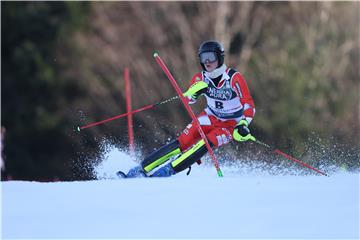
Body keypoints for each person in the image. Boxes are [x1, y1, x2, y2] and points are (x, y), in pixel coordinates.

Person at [120, 40, 256, 178]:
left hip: (230, 124)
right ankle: (140, 169)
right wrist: (194, 93)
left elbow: (249, 104)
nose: (207, 62)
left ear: (220, 58)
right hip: (210, 116)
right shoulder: (200, 78)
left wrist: (244, 123)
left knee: (206, 142)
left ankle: (165, 172)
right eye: (203, 58)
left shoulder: (233, 78)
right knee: (183, 141)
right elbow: (188, 100)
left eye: (211, 57)